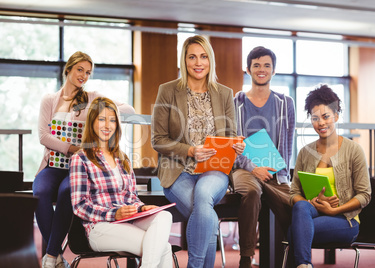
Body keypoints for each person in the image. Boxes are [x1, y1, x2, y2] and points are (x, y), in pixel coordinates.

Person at [33, 51, 135, 268]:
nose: (84, 76)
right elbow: (43, 135)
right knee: (39, 193)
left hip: (79, 168)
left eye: (88, 72)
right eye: (80, 70)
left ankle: (51, 257)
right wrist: (73, 148)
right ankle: (57, 255)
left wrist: (104, 114)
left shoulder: (91, 97)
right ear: (68, 69)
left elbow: (128, 109)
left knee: (66, 192)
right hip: (53, 165)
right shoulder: (50, 99)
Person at [151, 35, 245, 268]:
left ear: (210, 60)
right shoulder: (168, 91)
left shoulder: (224, 93)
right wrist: (190, 150)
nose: (198, 62)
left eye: (203, 56)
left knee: (204, 197)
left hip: (214, 170)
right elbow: (158, 140)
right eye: (192, 56)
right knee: (206, 215)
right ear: (184, 60)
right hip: (177, 171)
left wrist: (237, 146)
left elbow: (230, 136)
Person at [70, 97, 173, 267]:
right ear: (92, 122)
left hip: (127, 221)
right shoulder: (80, 159)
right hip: (100, 228)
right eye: (101, 119)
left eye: (112, 120)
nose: (107, 125)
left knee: (164, 216)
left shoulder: (122, 158)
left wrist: (141, 208)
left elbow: (131, 197)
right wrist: (114, 214)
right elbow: (80, 206)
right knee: (163, 248)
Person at [288, 84, 371, 268]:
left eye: (326, 116)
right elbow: (293, 193)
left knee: (295, 231)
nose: (321, 123)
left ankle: (302, 264)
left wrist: (334, 210)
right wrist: (310, 203)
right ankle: (304, 265)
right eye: (315, 118)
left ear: (336, 116)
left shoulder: (353, 150)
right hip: (311, 214)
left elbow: (364, 195)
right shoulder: (305, 152)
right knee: (300, 207)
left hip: (345, 220)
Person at [232, 46, 295, 268]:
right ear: (247, 70)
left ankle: (296, 257)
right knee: (251, 190)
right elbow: (233, 145)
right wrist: (252, 168)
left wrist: (283, 176)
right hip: (243, 168)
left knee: (294, 204)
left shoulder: (285, 103)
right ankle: (246, 257)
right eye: (256, 65)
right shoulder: (236, 102)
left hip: (274, 169)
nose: (261, 70)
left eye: (266, 65)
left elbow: (287, 143)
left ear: (273, 70)